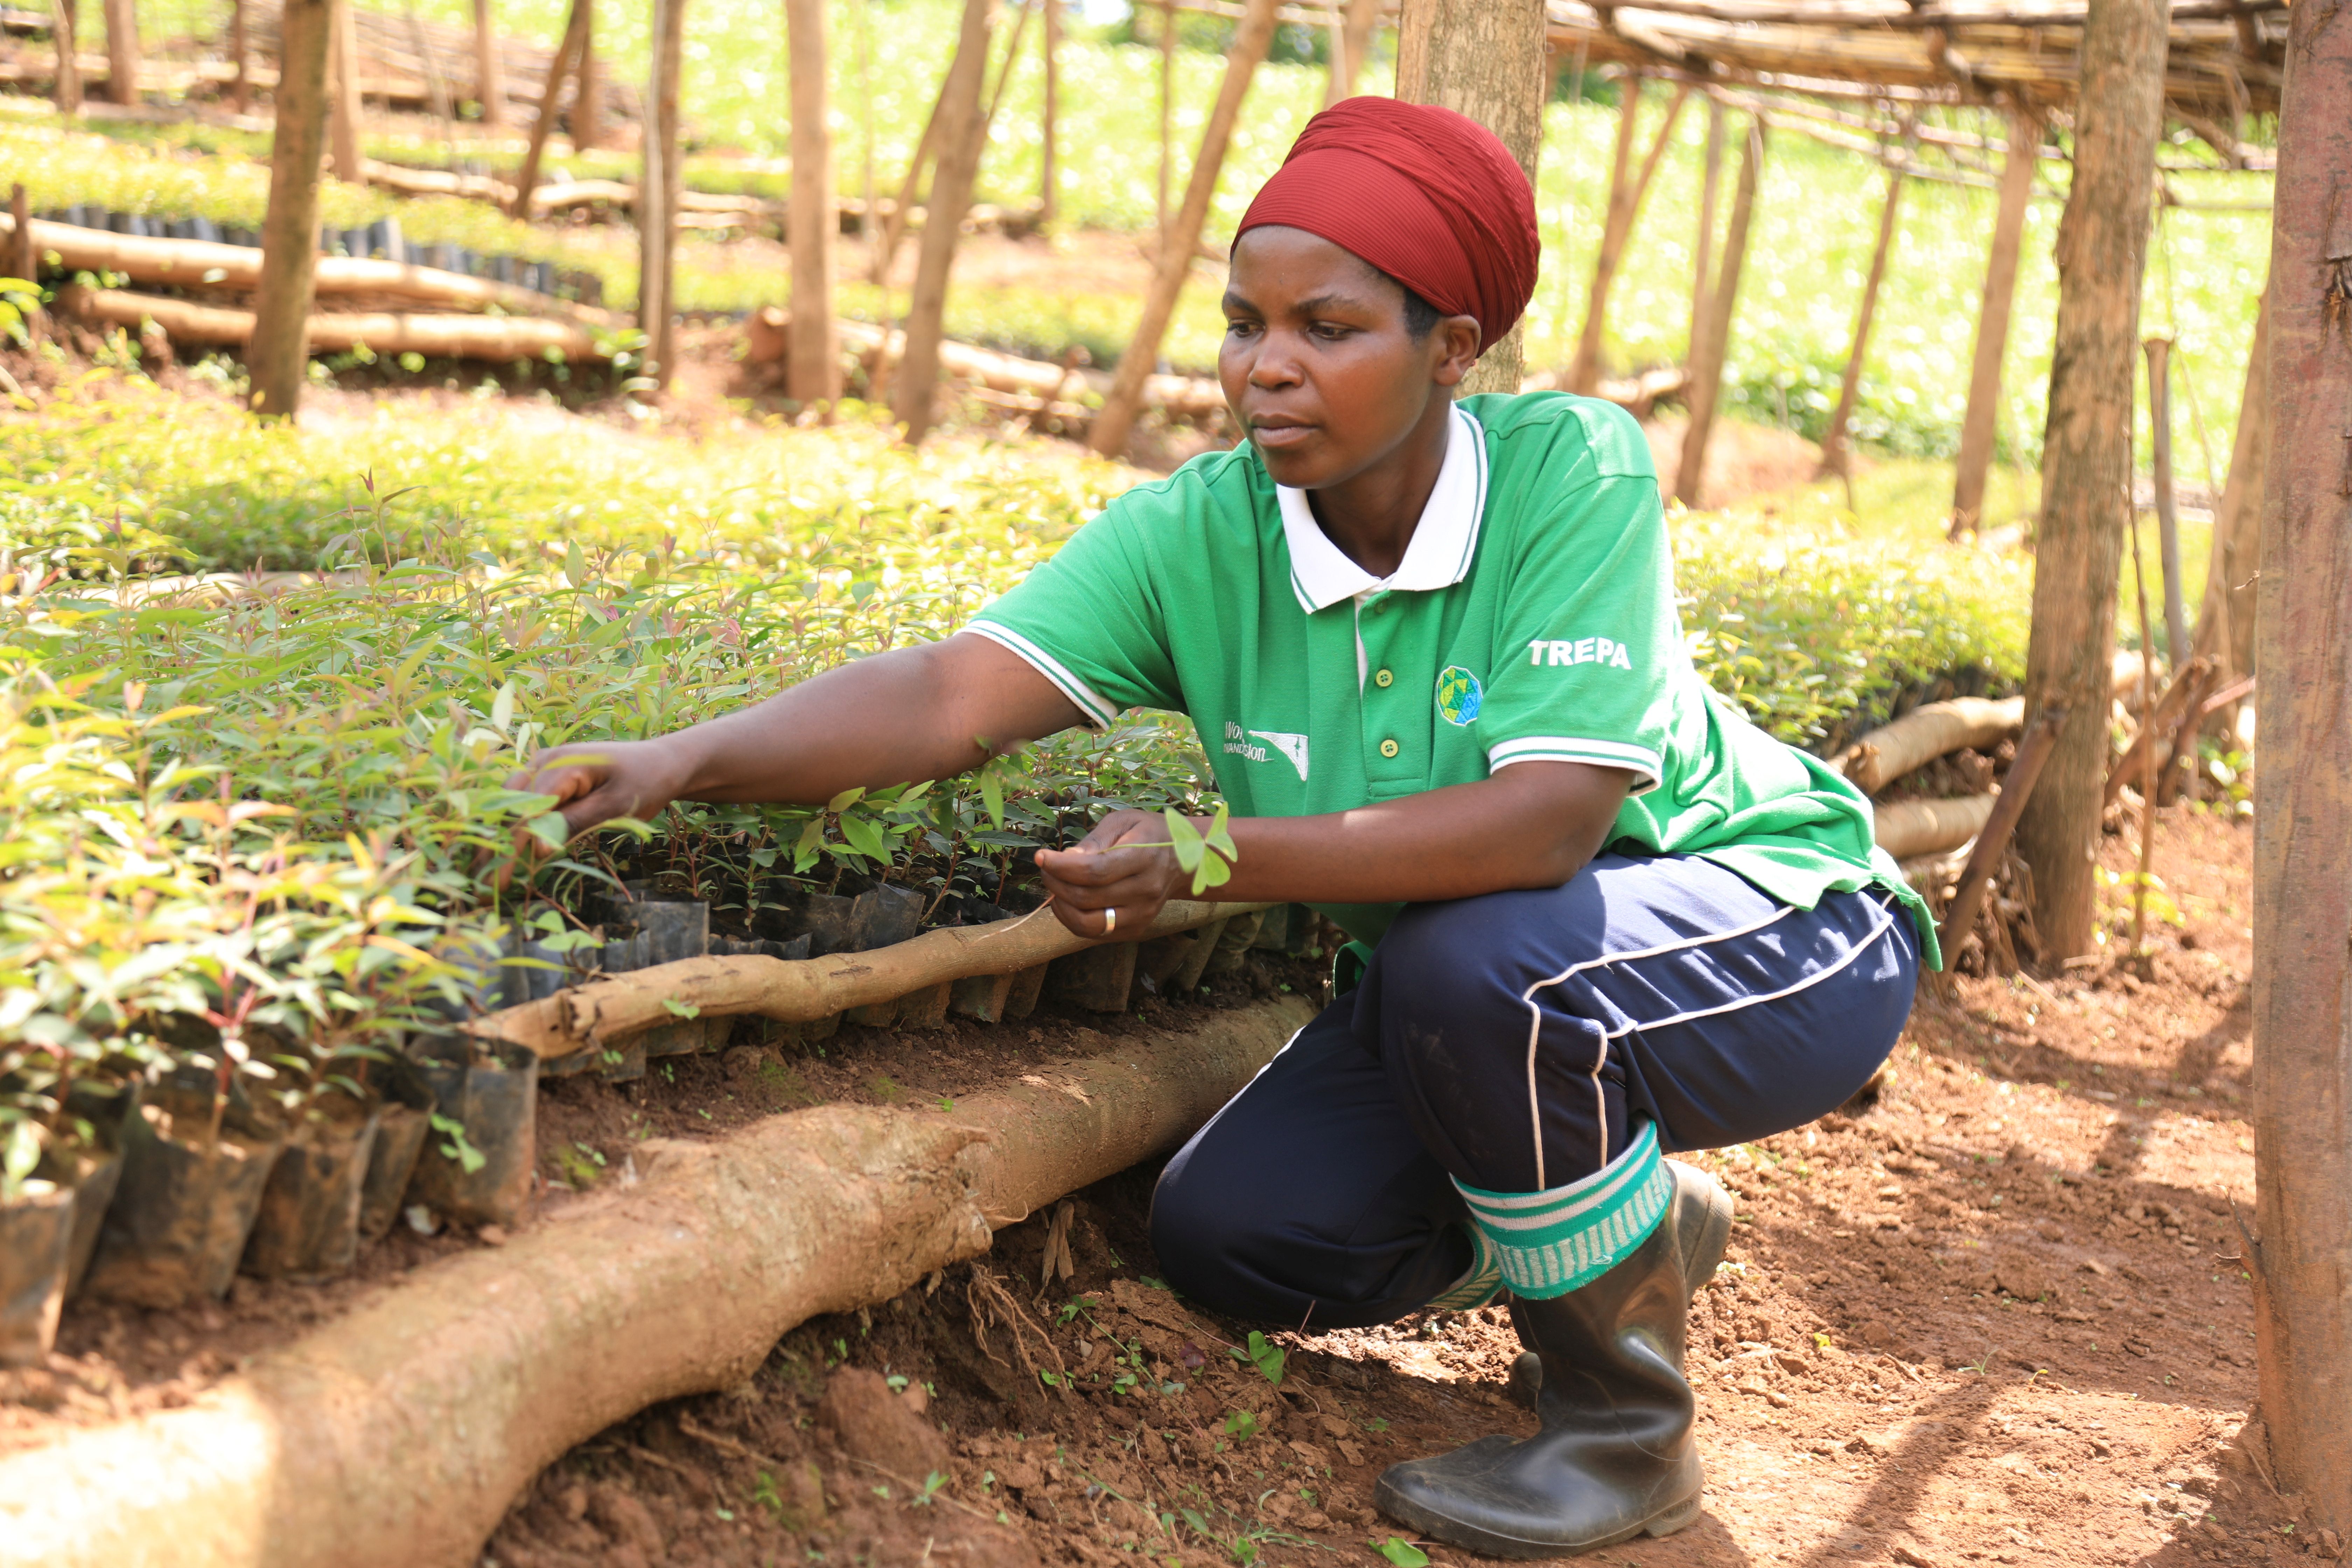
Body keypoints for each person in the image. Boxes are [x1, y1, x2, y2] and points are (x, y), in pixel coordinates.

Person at [516, 96, 1932, 1560]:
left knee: (1477, 963)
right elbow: (947, 697)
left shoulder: (1571, 472)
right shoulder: (1199, 536)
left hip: (1774, 924)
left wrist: (1210, 853)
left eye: (1328, 327)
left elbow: (1546, 828)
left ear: (1451, 349)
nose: (1268, 367)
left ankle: (1620, 1432)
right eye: (1245, 323)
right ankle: (1636, 1226)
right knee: (1244, 1233)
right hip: (1500, 980)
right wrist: (678, 760)